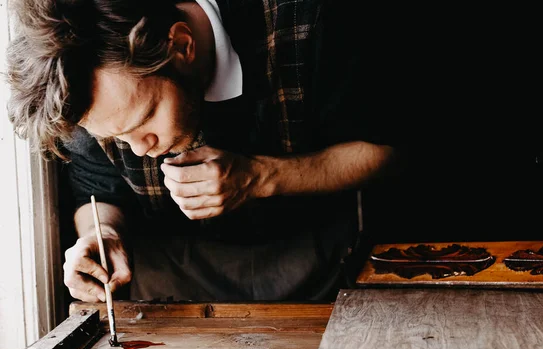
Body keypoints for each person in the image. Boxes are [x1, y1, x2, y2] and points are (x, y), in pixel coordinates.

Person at [6, 0, 398, 303]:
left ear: (181, 45)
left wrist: (258, 177)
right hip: (173, 296)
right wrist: (102, 234)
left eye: (147, 117)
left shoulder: (309, 19)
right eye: (118, 138)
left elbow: (384, 152)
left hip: (328, 277)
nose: (142, 150)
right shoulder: (84, 81)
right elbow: (99, 190)